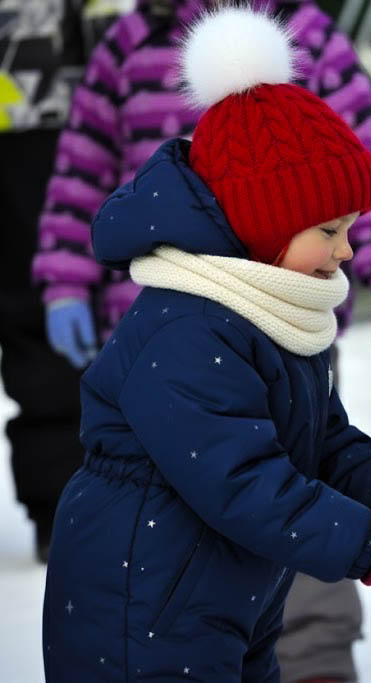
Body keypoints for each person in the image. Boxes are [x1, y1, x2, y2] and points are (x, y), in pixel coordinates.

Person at [41, 6, 371, 681]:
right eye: (329, 230)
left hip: (220, 603)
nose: (347, 248)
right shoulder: (188, 332)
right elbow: (247, 483)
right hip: (143, 616)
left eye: (351, 227)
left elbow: (324, 442)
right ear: (266, 224)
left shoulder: (271, 315)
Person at [0, 0, 122, 564]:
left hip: (92, 93)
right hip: (25, 95)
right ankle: (60, 500)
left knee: (84, 292)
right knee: (36, 304)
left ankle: (78, 497)